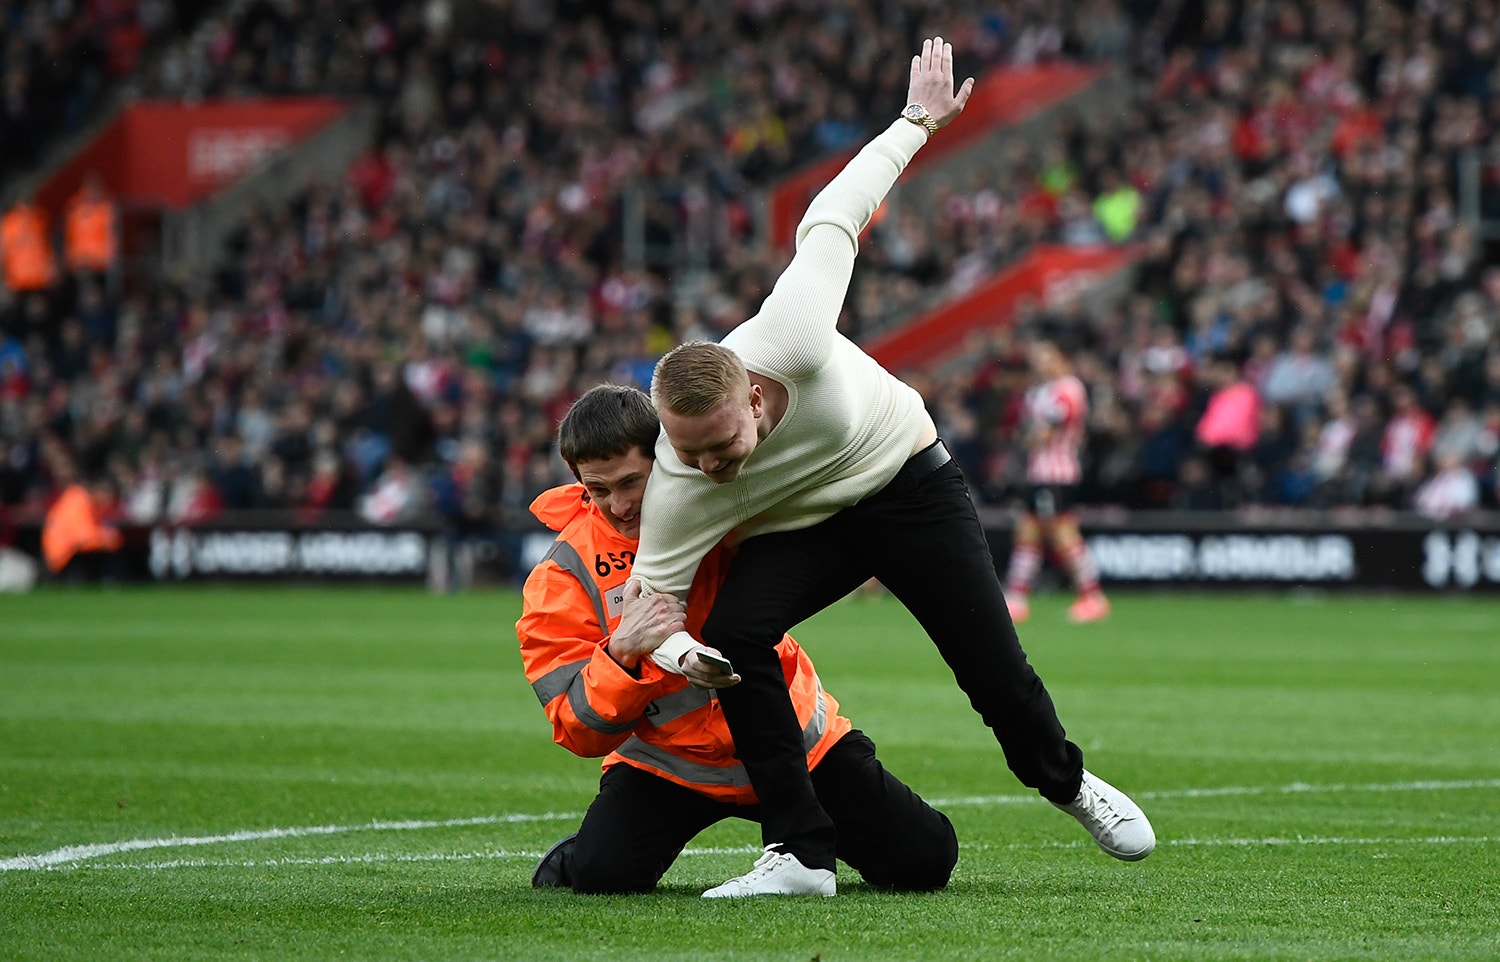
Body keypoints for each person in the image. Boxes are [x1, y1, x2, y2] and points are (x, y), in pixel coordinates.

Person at [631, 37, 1154, 898]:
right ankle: (799, 856)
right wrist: (692, 659)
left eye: (722, 445)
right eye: (691, 452)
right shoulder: (679, 473)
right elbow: (650, 602)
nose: (710, 465)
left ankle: (1065, 782)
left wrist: (915, 122)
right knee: (735, 634)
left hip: (909, 482)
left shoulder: (791, 334)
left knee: (993, 669)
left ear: (755, 401)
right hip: (811, 528)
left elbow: (831, 216)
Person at [518, 384, 957, 895]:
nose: (618, 504)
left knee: (925, 863)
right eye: (598, 489)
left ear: (665, 458)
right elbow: (578, 729)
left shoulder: (730, 496)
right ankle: (584, 849)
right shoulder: (562, 574)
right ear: (577, 480)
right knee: (600, 875)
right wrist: (621, 656)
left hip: (791, 742)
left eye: (631, 482)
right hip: (670, 765)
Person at [1002, 330, 1111, 624]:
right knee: (1028, 532)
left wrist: (1027, 438)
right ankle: (1016, 597)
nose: (1039, 361)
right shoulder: (1043, 390)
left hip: (1057, 474)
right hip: (1040, 474)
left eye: (1045, 354)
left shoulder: (1068, 389)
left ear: (1061, 357)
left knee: (1062, 534)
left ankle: (1092, 596)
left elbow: (1043, 435)